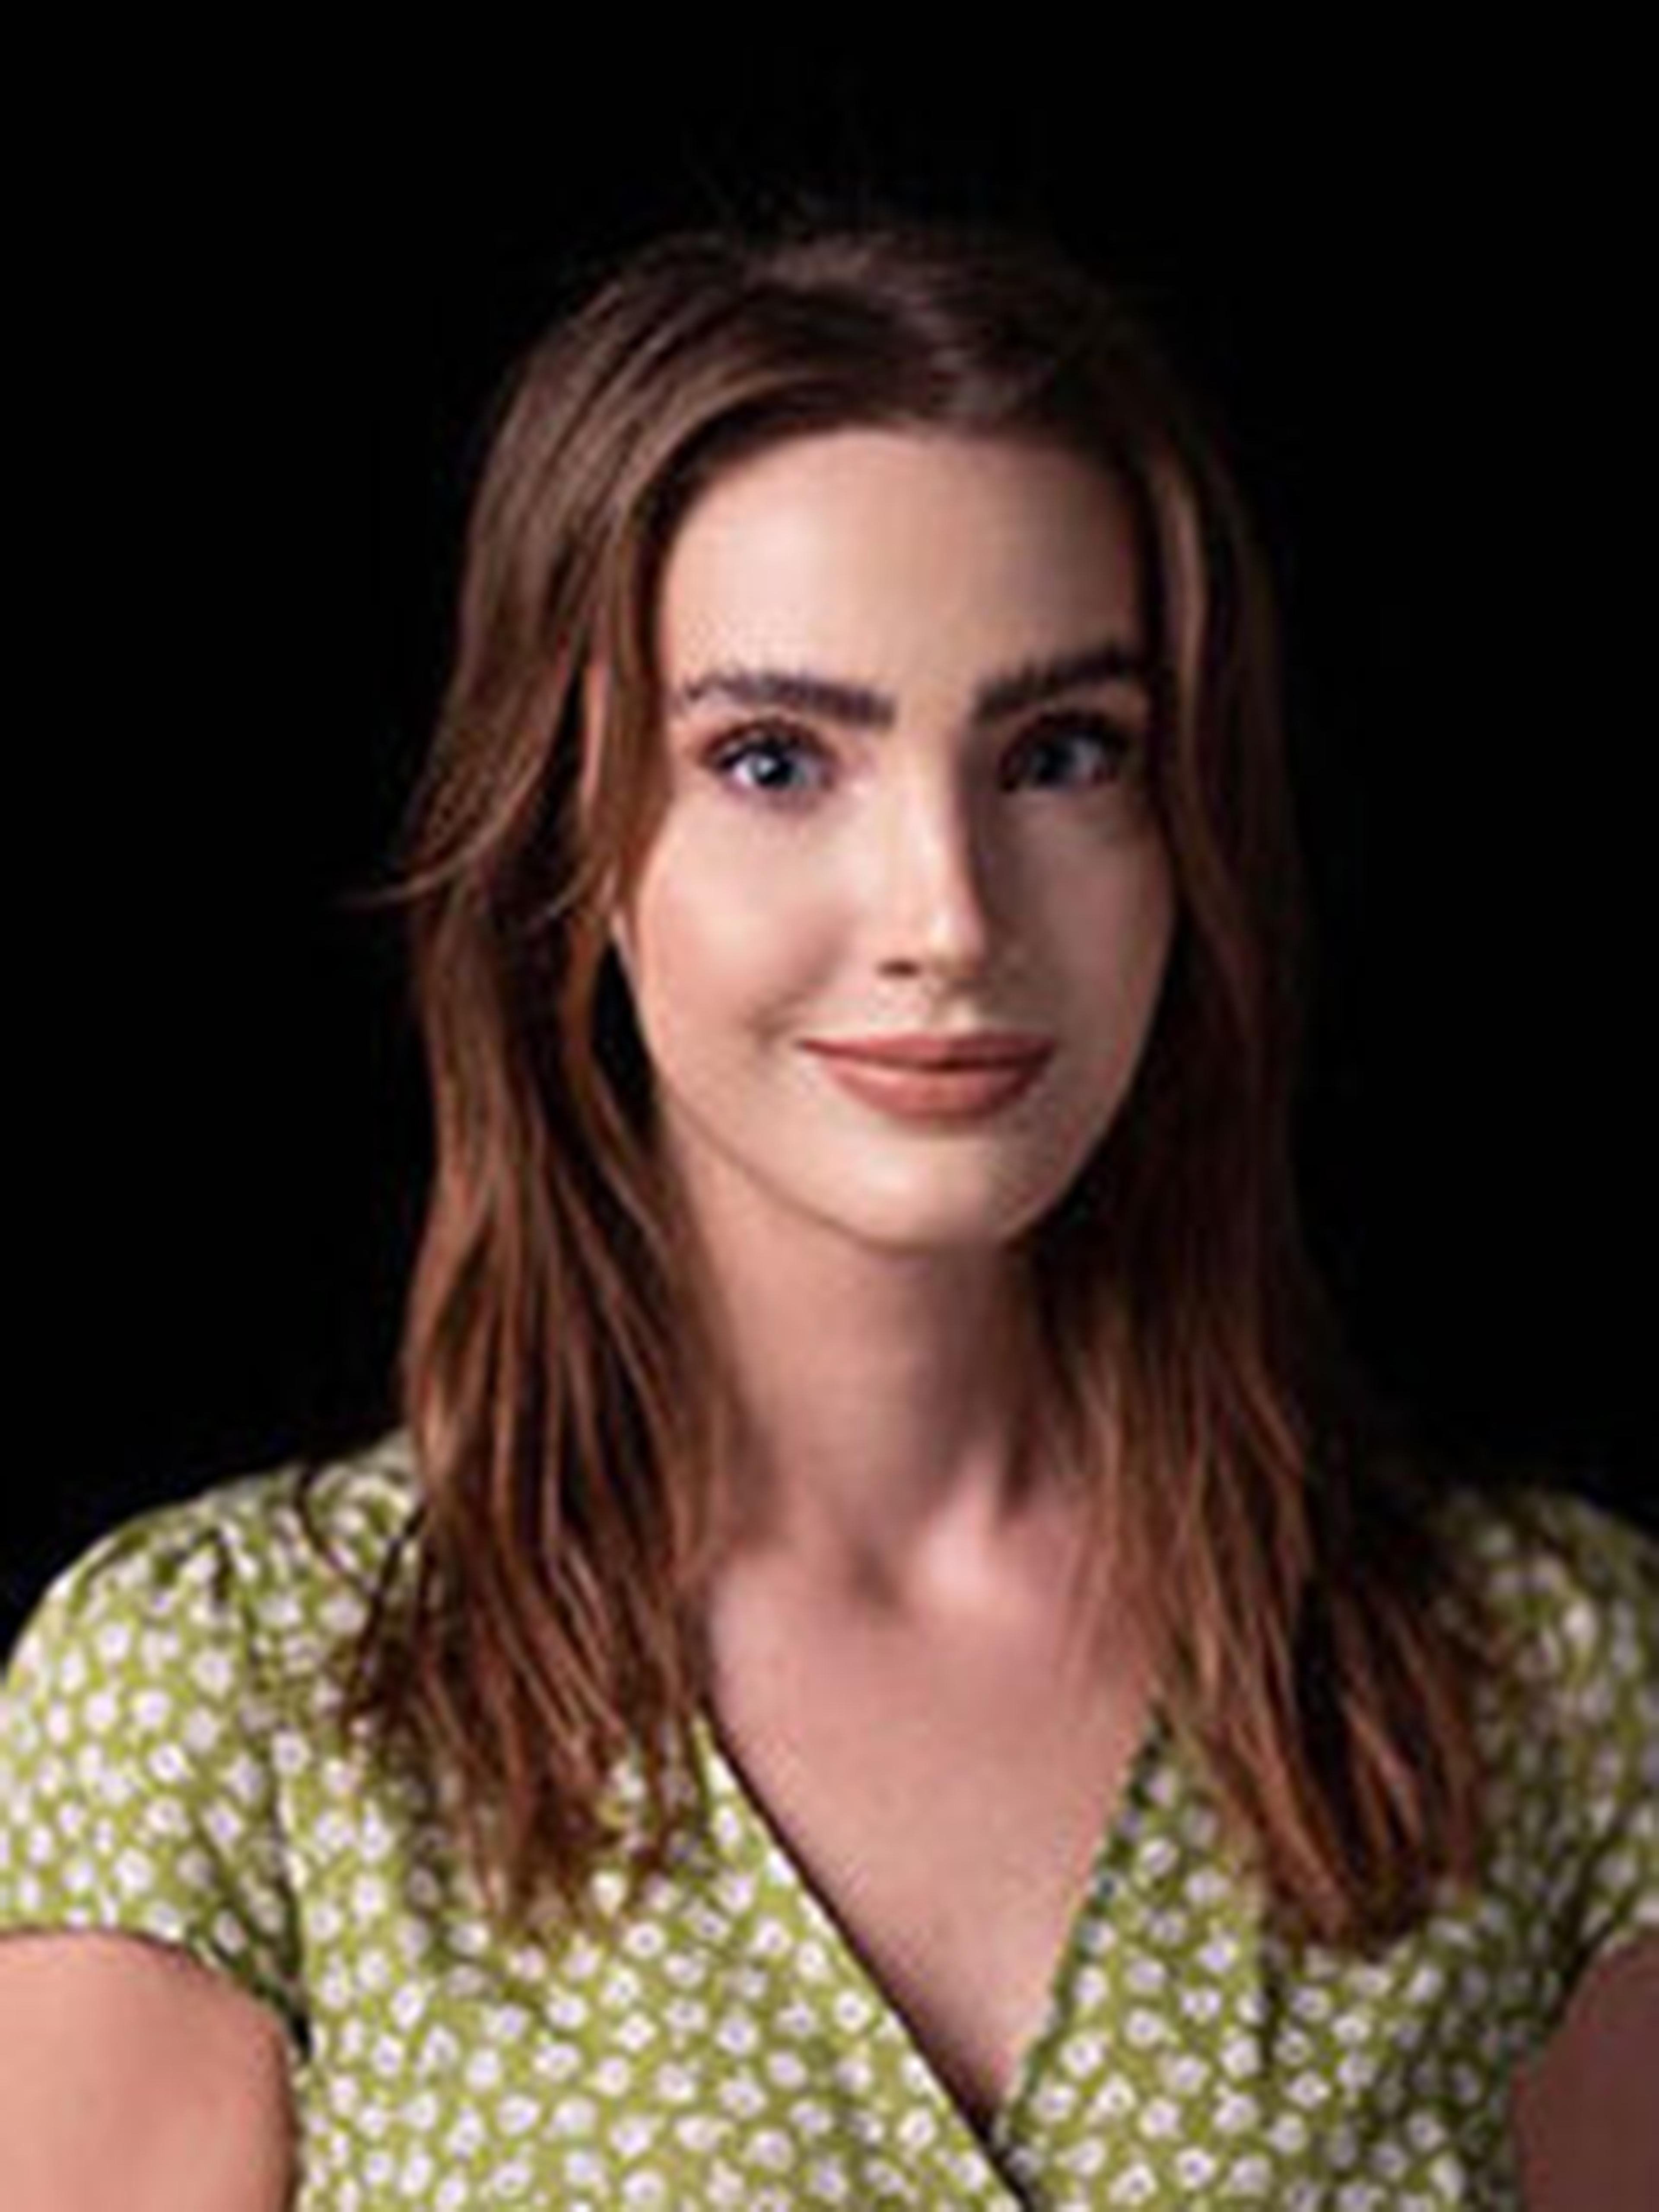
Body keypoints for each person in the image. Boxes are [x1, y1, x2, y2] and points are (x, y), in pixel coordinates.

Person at [1, 208, 1654, 2212]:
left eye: (1063, 754)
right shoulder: (226, 1701)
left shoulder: (1553, 1685)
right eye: (777, 759)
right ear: (570, 834)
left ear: (1190, 831)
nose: (948, 914)